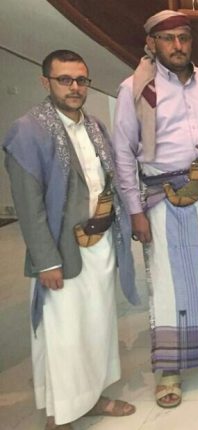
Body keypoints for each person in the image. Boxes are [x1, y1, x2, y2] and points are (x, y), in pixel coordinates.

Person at [112, 10, 198, 408]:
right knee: (170, 285)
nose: (178, 45)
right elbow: (123, 154)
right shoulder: (134, 89)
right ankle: (170, 371)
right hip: (162, 198)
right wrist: (135, 210)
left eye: (184, 38)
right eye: (168, 39)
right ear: (151, 43)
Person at [3, 49, 139, 430]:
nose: (75, 87)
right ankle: (60, 416)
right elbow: (28, 206)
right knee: (64, 335)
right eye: (65, 79)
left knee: (97, 326)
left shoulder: (94, 126)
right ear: (45, 82)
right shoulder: (28, 131)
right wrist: (46, 261)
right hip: (61, 252)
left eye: (81, 80)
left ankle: (92, 398)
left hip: (99, 244)